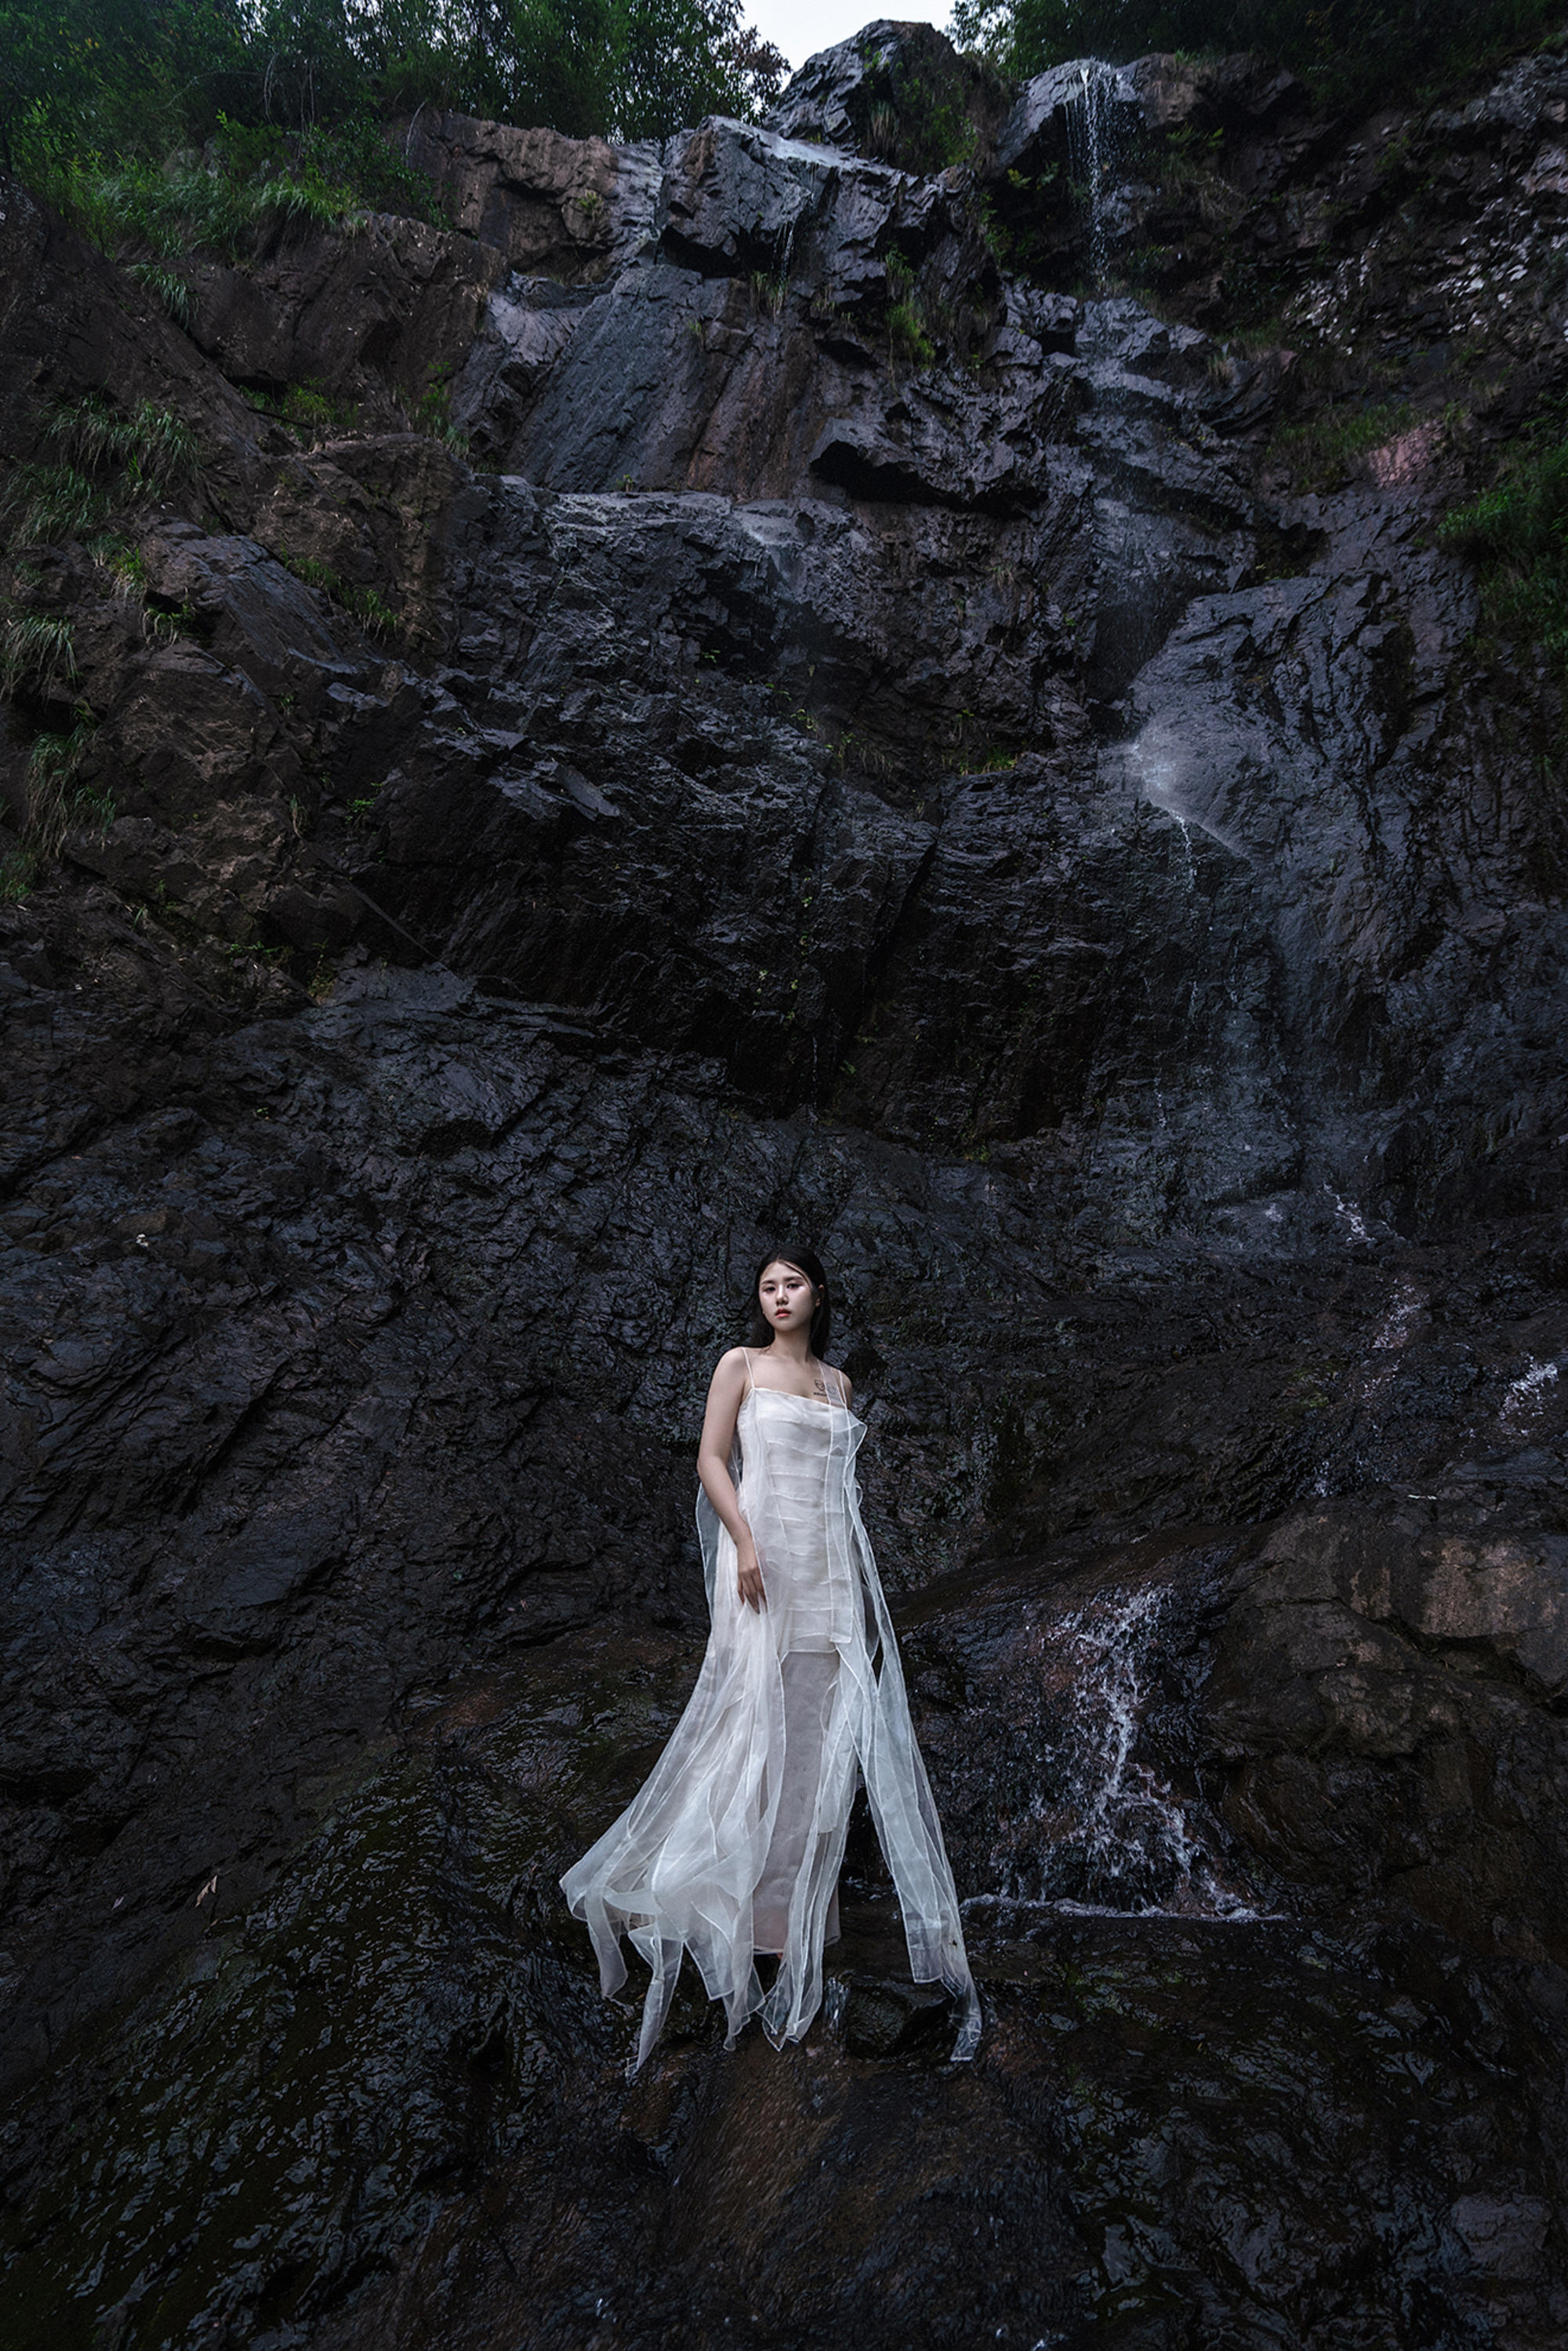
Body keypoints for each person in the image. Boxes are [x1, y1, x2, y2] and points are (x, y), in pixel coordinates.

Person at [561, 1248, 981, 2070]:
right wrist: (746, 1544)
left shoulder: (838, 1385)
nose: (779, 1296)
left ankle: (787, 1918)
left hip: (827, 1571)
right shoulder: (740, 1365)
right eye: (767, 1286)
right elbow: (710, 1459)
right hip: (762, 1560)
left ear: (817, 1295)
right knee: (751, 1720)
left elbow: (840, 1500)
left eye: (792, 1284)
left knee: (815, 1742)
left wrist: (858, 1595)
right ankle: (714, 1892)